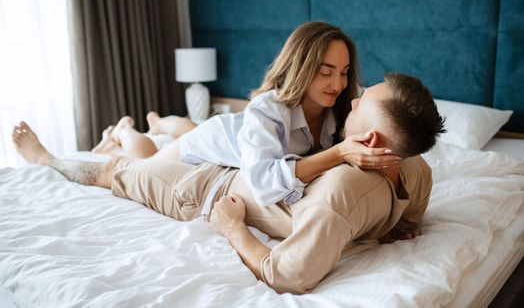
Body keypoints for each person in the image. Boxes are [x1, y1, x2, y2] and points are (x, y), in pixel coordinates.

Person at [12, 73, 445, 294]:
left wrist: (233, 228)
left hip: (209, 190)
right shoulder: (415, 167)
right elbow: (408, 215)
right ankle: (141, 129)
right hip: (233, 156)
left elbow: (288, 275)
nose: (352, 96)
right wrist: (395, 226)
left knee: (119, 172)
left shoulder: (338, 197)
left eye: (362, 100)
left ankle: (53, 157)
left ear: (368, 141)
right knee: (175, 140)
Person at [90, 21, 401, 206]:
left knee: (182, 127)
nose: (338, 84)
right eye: (325, 72)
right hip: (212, 139)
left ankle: (161, 122)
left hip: (232, 133)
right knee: (144, 161)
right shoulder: (269, 108)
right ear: (301, 68)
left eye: (344, 72)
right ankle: (122, 132)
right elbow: (265, 183)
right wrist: (339, 154)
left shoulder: (347, 102)